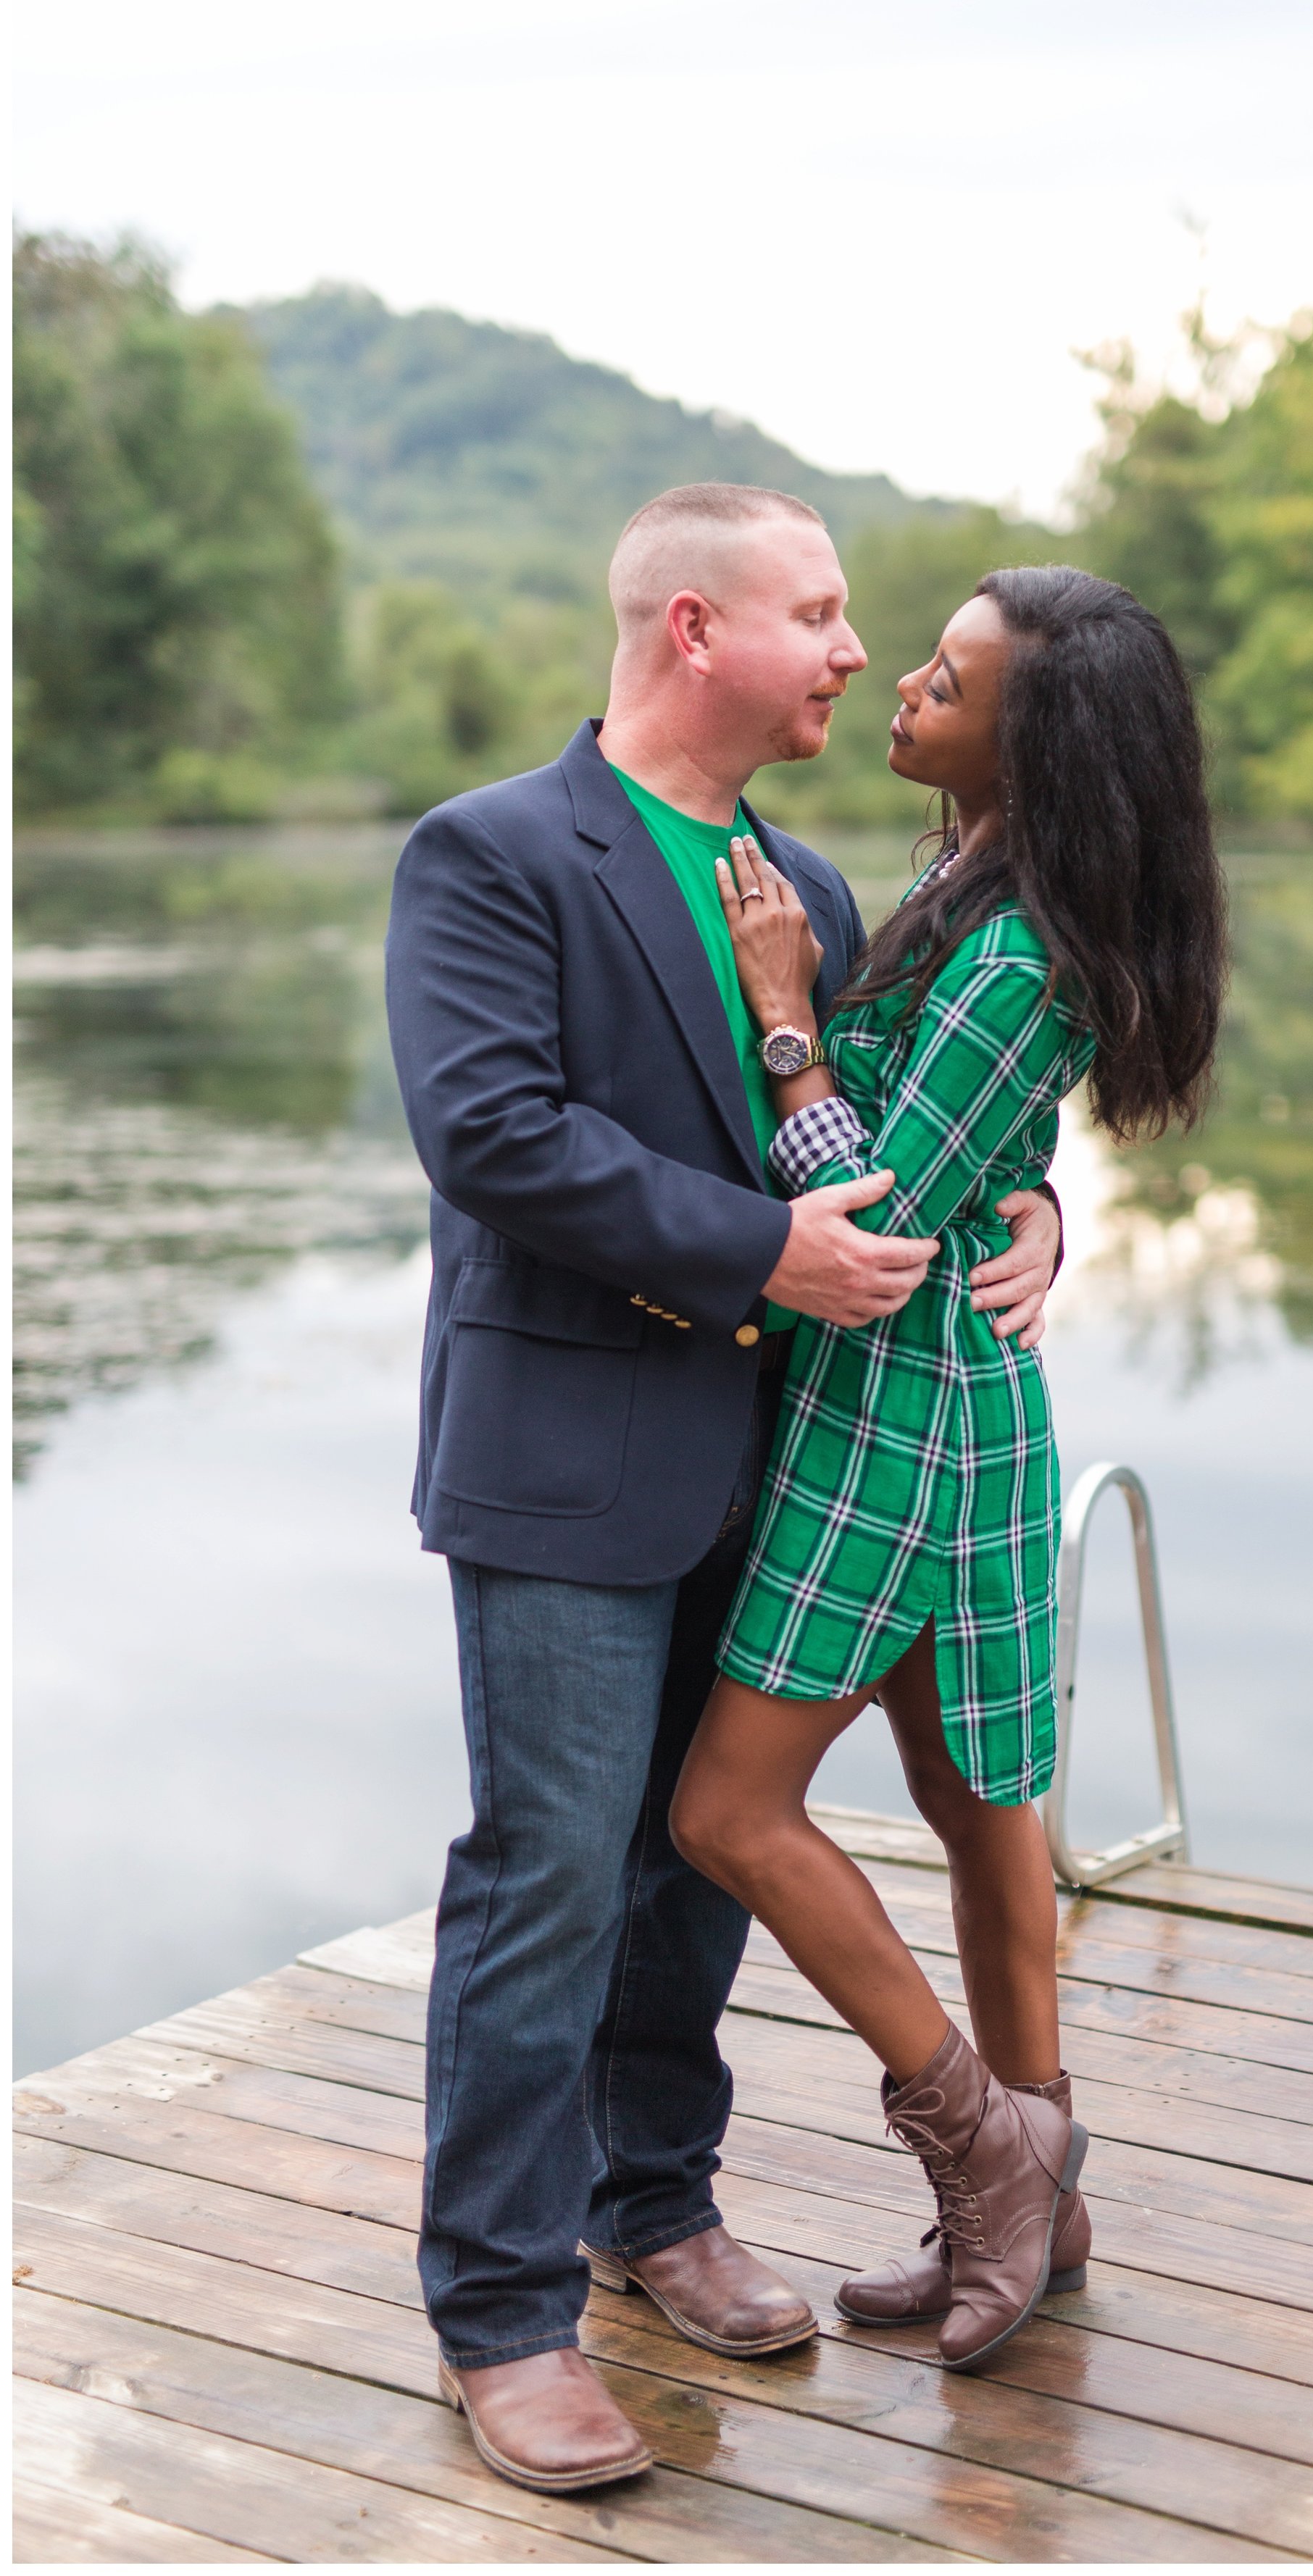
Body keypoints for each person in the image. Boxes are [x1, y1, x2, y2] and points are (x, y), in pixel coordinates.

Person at [385, 485, 1064, 2493]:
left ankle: (650, 2199)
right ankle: (498, 2313)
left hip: (777, 1462)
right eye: (822, 614)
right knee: (553, 1871)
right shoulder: (497, 853)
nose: (854, 655)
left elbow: (895, 1121)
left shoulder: (818, 888)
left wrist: (1029, 1198)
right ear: (694, 628)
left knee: (693, 1867)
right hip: (568, 1463)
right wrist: (760, 1252)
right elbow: (491, 1134)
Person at [670, 566, 1227, 2372]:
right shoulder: (971, 888)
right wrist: (1036, 1197)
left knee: (726, 1815)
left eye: (945, 678)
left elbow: (884, 1218)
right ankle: (1043, 2203)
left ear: (1030, 737)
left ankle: (983, 2144)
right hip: (962, 1411)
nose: (901, 687)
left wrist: (780, 1014)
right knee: (977, 1796)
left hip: (890, 1422)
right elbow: (980, 1158)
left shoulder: (1007, 950)